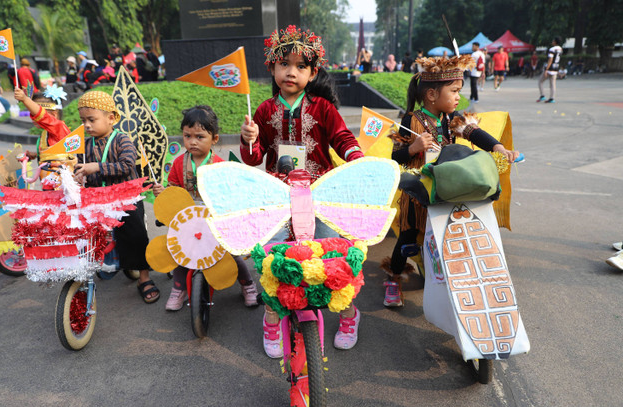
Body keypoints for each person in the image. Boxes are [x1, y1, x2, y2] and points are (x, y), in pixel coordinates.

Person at [240, 25, 364, 357]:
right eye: (284, 64)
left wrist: (358, 160)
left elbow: (343, 139)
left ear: (312, 73)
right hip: (278, 198)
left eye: (300, 66)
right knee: (268, 257)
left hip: (320, 195)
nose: (290, 72)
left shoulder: (323, 108)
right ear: (273, 68)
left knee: (335, 258)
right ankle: (271, 316)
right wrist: (249, 139)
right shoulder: (264, 111)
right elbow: (252, 158)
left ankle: (348, 314)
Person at [381, 55, 519, 307]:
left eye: (459, 91)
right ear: (432, 95)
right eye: (454, 91)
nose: (458, 97)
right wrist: (413, 148)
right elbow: (396, 157)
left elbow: (474, 133)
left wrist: (498, 147)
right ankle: (393, 279)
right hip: (417, 191)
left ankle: (445, 278)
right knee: (409, 237)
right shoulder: (411, 119)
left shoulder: (451, 118)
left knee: (448, 234)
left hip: (446, 188)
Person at [151, 105, 259, 310]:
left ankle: (247, 284)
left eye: (200, 136)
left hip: (213, 221)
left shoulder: (219, 164)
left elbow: (227, 195)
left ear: (214, 139)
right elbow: (173, 190)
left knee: (230, 255)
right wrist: (163, 193)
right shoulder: (177, 164)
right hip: (186, 222)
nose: (192, 141)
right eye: (187, 135)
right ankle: (178, 288)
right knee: (180, 255)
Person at [73, 90, 159, 303]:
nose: (87, 125)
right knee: (89, 235)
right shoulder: (86, 144)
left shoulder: (122, 140)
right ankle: (102, 265)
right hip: (98, 200)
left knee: (136, 235)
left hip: (125, 200)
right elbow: (81, 167)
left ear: (111, 118)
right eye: (83, 120)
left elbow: (127, 165)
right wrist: (78, 174)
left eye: (92, 119)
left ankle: (144, 278)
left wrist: (97, 167)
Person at [14, 86, 70, 160]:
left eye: (34, 113)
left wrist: (25, 99)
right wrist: (36, 154)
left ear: (53, 114)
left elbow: (43, 116)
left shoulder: (60, 128)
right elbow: (52, 152)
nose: (34, 117)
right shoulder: (46, 132)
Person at [537, 37, 563, 104]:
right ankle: (552, 98)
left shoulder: (552, 49)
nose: (552, 42)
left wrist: (546, 69)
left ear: (555, 42)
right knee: (553, 84)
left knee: (540, 81)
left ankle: (542, 95)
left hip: (550, 68)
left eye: (553, 41)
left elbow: (550, 60)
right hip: (556, 67)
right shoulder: (560, 49)